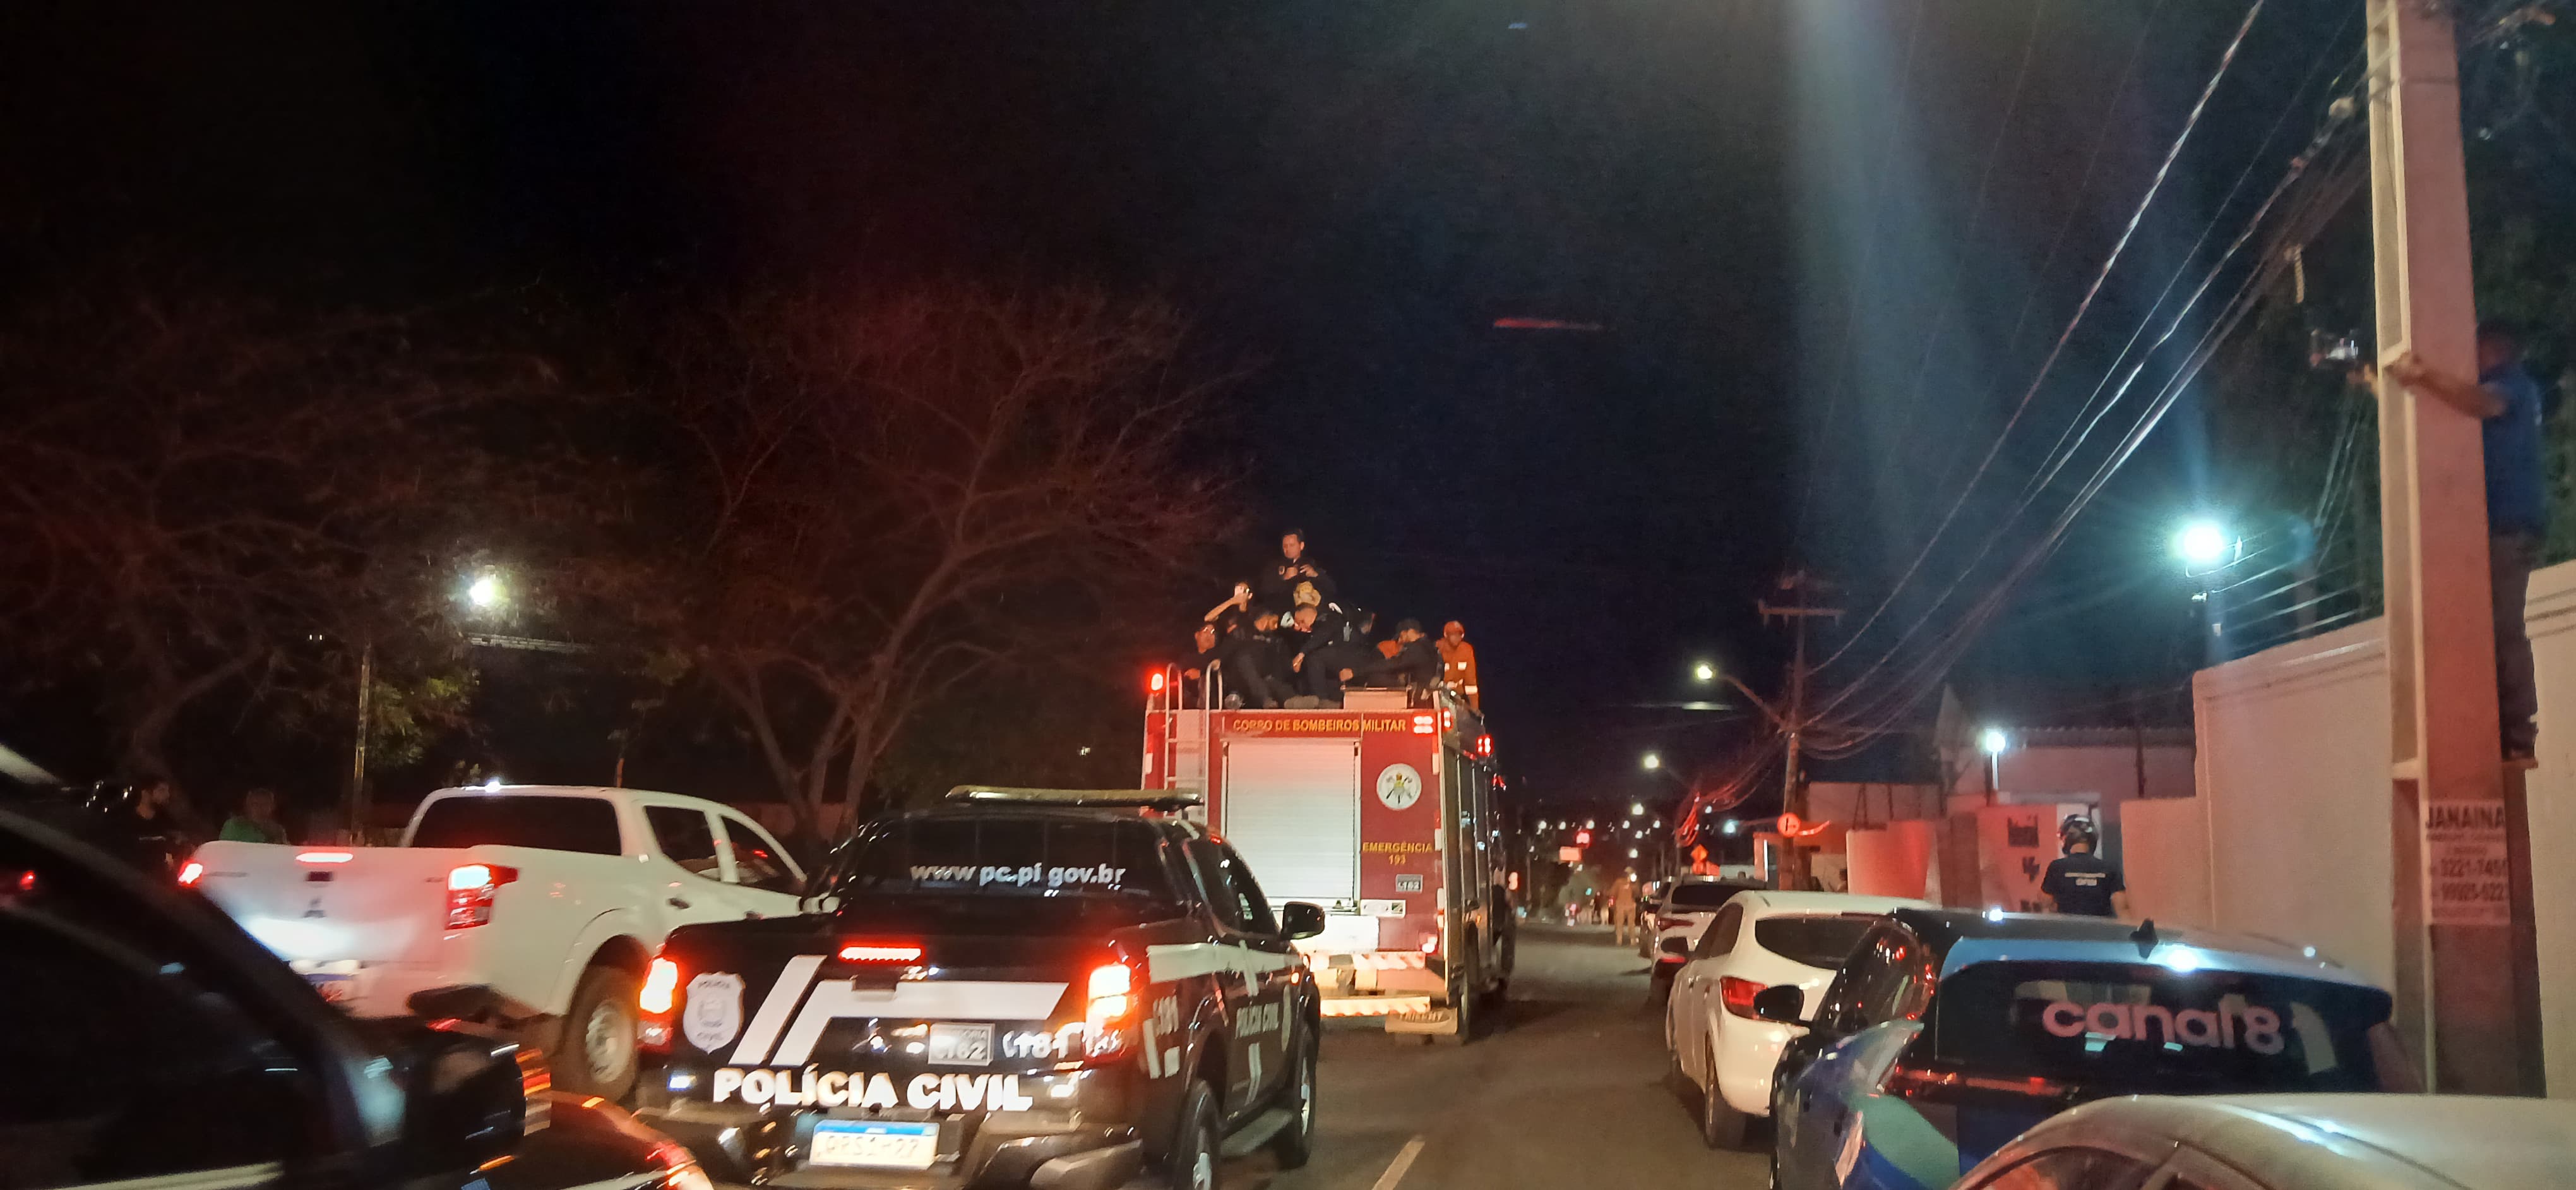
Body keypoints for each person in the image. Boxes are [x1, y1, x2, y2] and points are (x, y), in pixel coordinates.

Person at [2382, 322, 2548, 766]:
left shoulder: (2511, 386)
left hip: (2509, 525)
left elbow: (2481, 404)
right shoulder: (2509, 389)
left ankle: (2518, 733)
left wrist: (2423, 375)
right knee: (2483, 627)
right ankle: (2497, 730)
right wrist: (2385, 389)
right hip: (2497, 525)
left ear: (2490, 349)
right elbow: (2443, 413)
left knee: (2502, 627)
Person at [2039, 815, 2129, 919]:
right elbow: (2123, 910)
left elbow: (2045, 905)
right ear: (2093, 840)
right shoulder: (2110, 868)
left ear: (2066, 839)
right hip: (2100, 933)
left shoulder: (2057, 867)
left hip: (2067, 932)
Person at [1256, 529, 1339, 615]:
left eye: (1292, 545)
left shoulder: (1312, 564)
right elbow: (1264, 590)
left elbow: (1331, 588)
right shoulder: (1275, 566)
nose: (1288, 549)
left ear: (1301, 546)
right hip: (1284, 615)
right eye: (1285, 546)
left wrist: (1316, 575)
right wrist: (1284, 579)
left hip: (1312, 614)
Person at [218, 787, 291, 844]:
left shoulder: (278, 830)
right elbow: (224, 849)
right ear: (248, 806)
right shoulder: (233, 826)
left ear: (272, 807)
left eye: (265, 805)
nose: (260, 808)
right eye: (255, 804)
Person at [1437, 620, 1481, 710]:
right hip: (1438, 696)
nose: (1456, 638)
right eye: (1453, 635)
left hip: (1456, 697)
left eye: (1459, 635)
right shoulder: (1438, 648)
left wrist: (1475, 708)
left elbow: (1471, 683)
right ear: (1446, 635)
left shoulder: (1467, 650)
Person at [1607, 874, 1640, 946]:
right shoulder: (1621, 882)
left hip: (1624, 906)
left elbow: (1612, 893)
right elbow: (1637, 894)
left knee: (1623, 924)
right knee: (1628, 924)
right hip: (1627, 906)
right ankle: (1628, 941)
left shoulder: (1622, 883)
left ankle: (1622, 941)